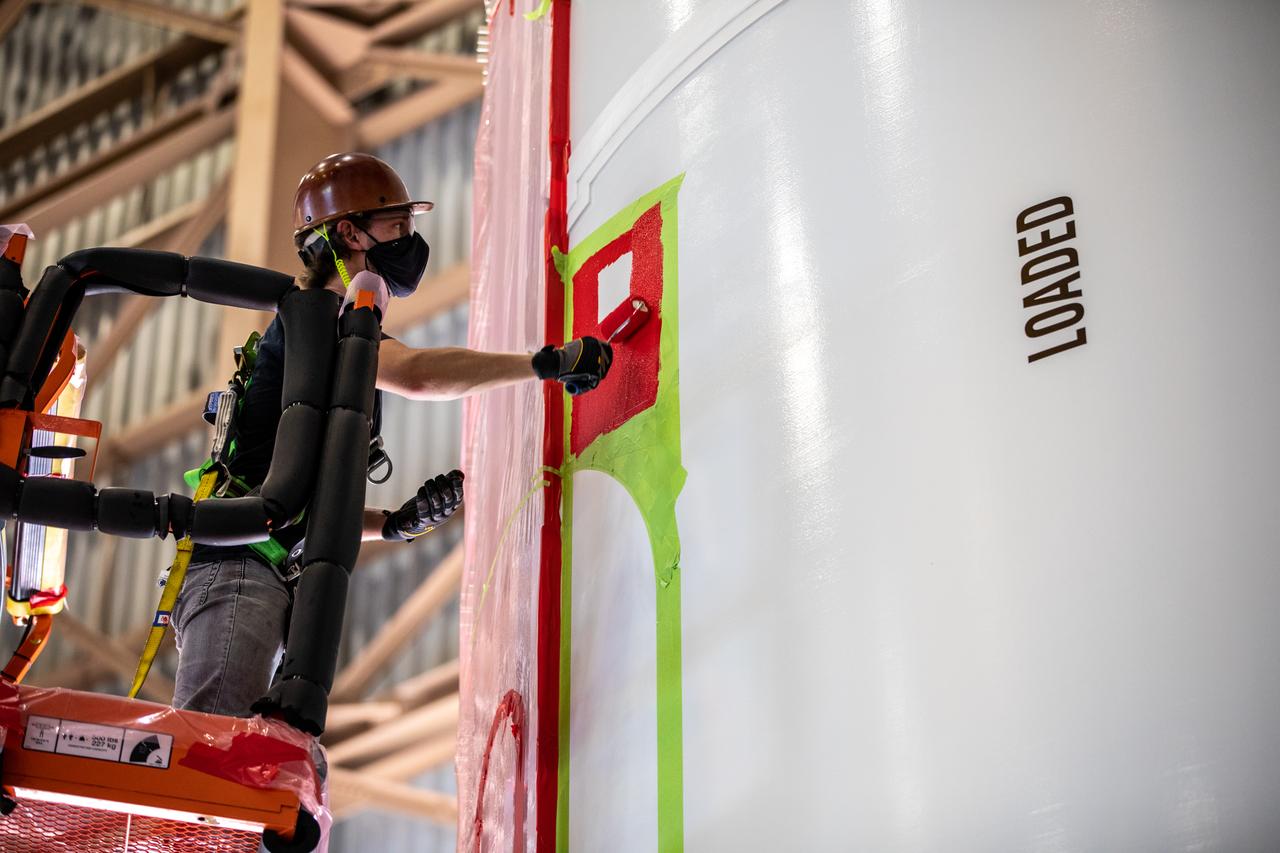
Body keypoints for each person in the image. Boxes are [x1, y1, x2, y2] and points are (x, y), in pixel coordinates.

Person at [171, 152, 612, 716]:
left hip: (265, 573)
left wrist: (394, 523)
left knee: (244, 765)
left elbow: (303, 505)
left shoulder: (332, 340)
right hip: (239, 573)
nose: (410, 241)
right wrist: (544, 364)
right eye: (397, 227)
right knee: (211, 764)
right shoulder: (320, 319)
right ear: (350, 233)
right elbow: (418, 374)